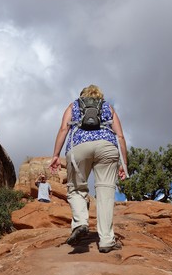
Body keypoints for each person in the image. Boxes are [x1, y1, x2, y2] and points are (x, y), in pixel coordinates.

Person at [49, 85, 127, 253]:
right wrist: (124, 163)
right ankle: (106, 240)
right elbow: (120, 135)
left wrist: (55, 155)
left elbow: (64, 129)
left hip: (78, 147)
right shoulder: (108, 107)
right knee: (105, 194)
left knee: (76, 188)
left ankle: (80, 223)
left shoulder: (73, 105)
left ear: (82, 95)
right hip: (107, 147)